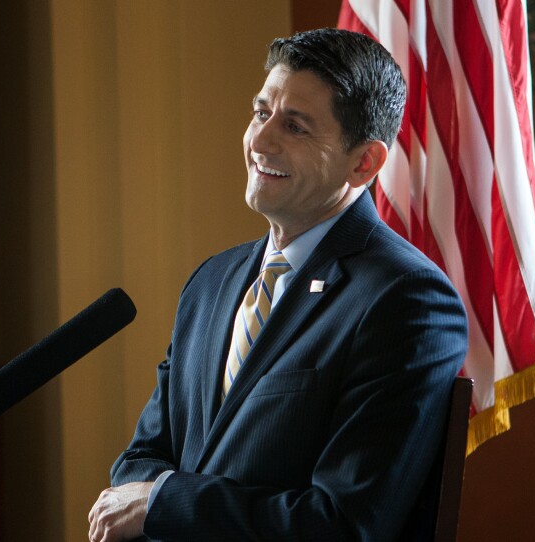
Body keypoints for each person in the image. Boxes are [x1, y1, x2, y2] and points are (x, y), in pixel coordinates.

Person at [88, 28, 468, 542]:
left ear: (365, 162)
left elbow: (344, 525)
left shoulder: (406, 300)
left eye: (295, 126)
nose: (259, 140)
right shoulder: (210, 282)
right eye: (261, 112)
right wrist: (153, 497)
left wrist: (164, 501)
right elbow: (138, 462)